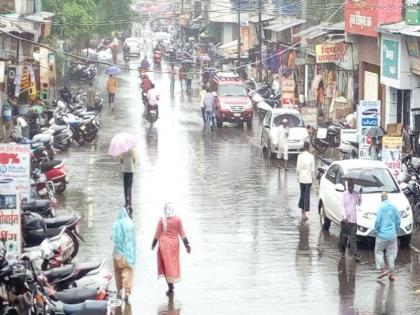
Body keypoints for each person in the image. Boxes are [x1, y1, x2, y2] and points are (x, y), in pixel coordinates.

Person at [151, 203, 191, 297]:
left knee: (165, 265)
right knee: (172, 265)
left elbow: (157, 234)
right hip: (174, 246)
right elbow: (182, 233)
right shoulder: (178, 219)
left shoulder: (162, 219)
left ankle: (170, 287)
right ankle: (171, 286)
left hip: (163, 245)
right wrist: (187, 245)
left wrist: (153, 245)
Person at [112, 207, 136, 304]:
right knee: (128, 273)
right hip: (128, 254)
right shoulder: (131, 224)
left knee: (118, 273)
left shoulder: (116, 224)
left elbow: (113, 238)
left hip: (117, 253)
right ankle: (127, 293)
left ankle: (119, 290)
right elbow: (133, 239)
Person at [375, 192, 400, 281]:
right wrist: (396, 230)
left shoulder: (381, 208)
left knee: (378, 251)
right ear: (387, 197)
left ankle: (382, 270)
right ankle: (392, 274)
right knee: (390, 254)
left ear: (381, 198)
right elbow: (398, 220)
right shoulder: (394, 207)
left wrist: (377, 232)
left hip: (382, 235)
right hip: (392, 235)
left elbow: (378, 221)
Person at [339, 179, 361, 261]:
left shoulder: (355, 194)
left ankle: (355, 253)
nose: (351, 187)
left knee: (353, 238)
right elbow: (342, 206)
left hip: (353, 220)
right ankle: (342, 251)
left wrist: (360, 195)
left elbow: (359, 203)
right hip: (345, 220)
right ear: (348, 185)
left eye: (353, 185)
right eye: (350, 185)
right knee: (343, 238)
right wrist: (344, 216)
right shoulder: (344, 194)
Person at [296, 141, 315, 220]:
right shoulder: (311, 157)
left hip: (301, 178)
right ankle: (304, 211)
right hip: (308, 179)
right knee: (306, 195)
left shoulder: (300, 156)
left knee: (302, 194)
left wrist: (298, 177)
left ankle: (303, 210)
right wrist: (313, 178)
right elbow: (312, 170)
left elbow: (298, 168)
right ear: (309, 147)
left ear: (304, 147)